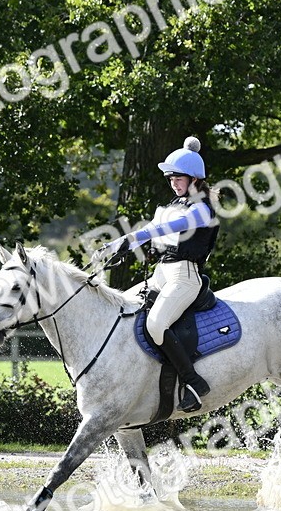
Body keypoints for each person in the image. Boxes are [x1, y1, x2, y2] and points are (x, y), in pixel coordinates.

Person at [94, 136, 219, 412]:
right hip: (163, 272)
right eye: (171, 178)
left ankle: (194, 382)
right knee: (124, 309)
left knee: (155, 323)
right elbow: (151, 228)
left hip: (184, 277)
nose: (173, 183)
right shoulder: (173, 205)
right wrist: (120, 244)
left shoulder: (201, 208)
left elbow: (165, 229)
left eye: (178, 178)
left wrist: (130, 239)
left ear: (194, 179)